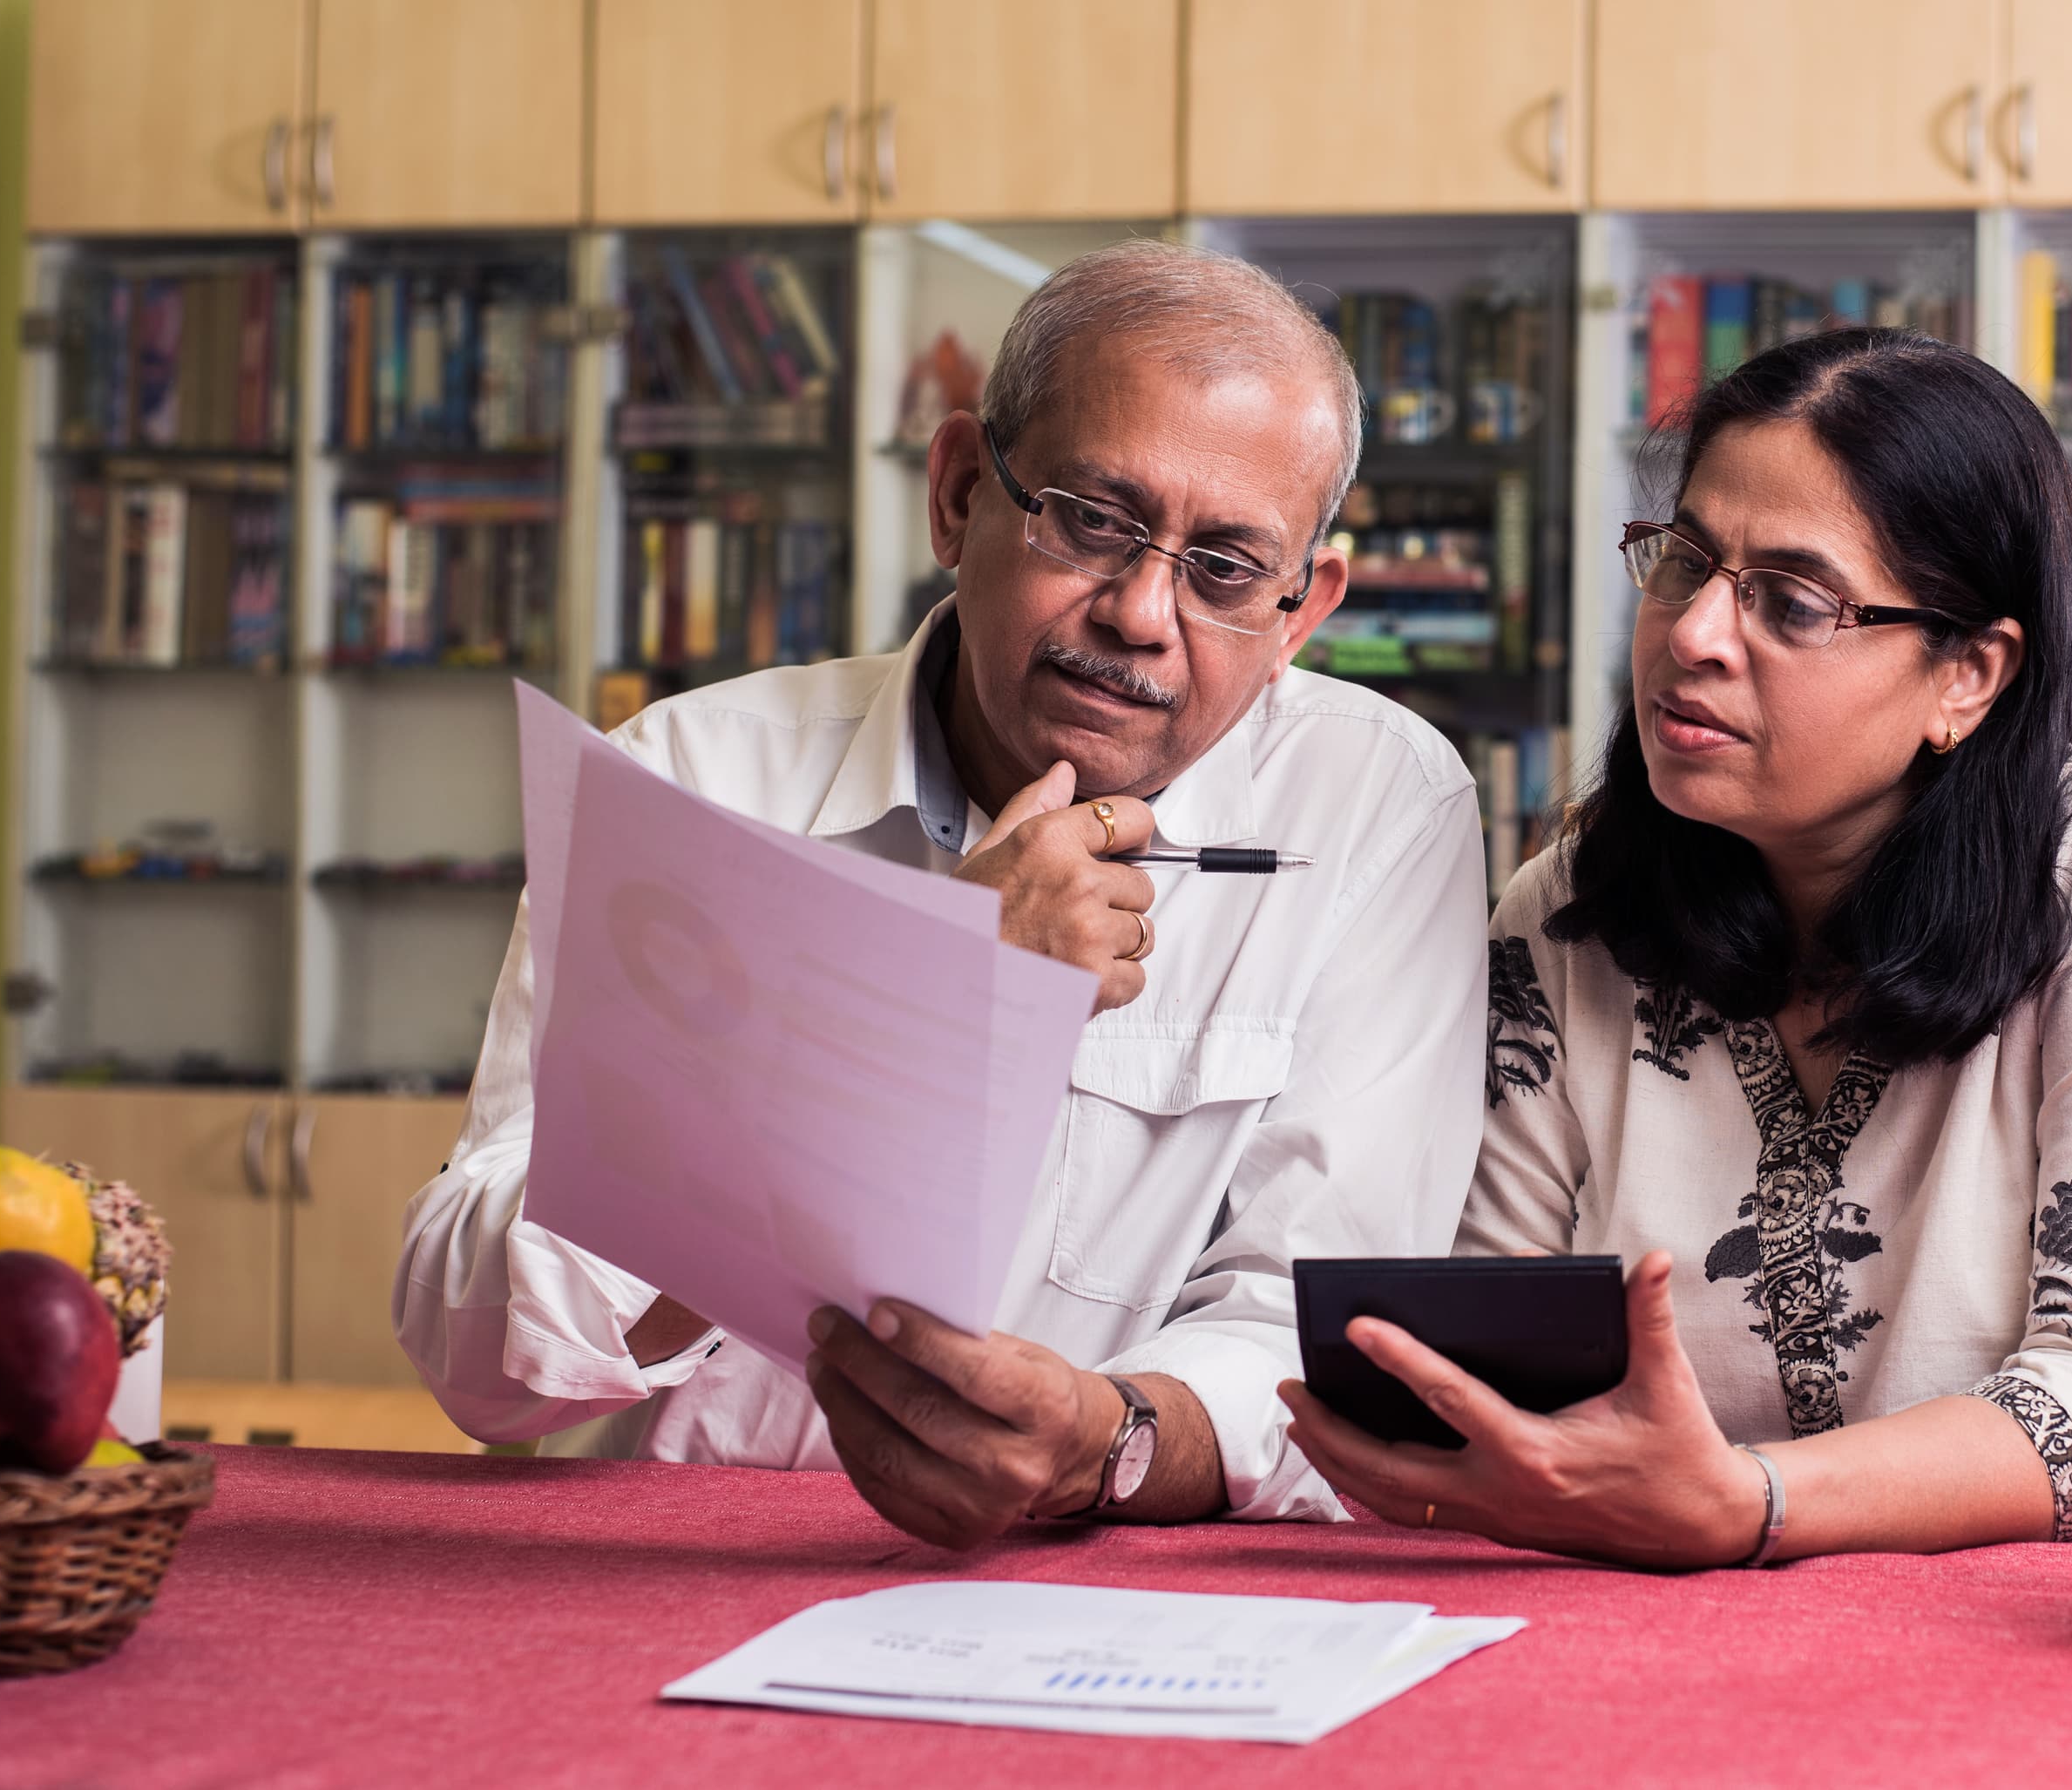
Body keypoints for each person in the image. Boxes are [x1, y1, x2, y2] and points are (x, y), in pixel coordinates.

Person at [397, 241, 1489, 1544]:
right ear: (961, 491)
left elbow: (1322, 1338)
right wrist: (913, 1004)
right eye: (1093, 520)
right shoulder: (690, 777)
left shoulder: (1378, 803)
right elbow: (480, 1366)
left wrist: (1101, 1443)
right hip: (687, 1574)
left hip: (1126, 1584)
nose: (1143, 613)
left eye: (1226, 568)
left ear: (1301, 613)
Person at [1278, 330, 2072, 1565]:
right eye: (1684, 561)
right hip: (1633, 1622)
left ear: (1968, 675)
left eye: (1794, 602)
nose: (1694, 633)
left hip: (2029, 1641)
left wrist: (1745, 1502)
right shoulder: (1572, 910)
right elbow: (1477, 1366)